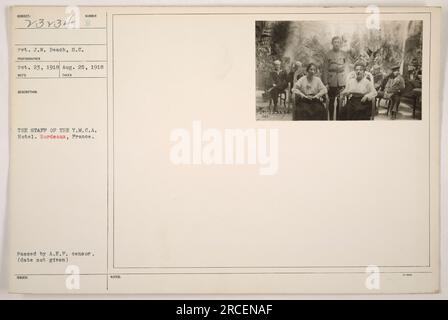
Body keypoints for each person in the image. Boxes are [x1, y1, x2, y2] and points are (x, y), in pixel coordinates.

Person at [322, 36, 350, 120]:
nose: (337, 44)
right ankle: (330, 119)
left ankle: (338, 119)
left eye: (338, 42)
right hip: (331, 81)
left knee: (340, 101)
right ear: (332, 43)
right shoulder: (328, 54)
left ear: (340, 44)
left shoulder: (344, 54)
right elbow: (325, 69)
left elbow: (347, 67)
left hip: (341, 81)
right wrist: (326, 83)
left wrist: (347, 81)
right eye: (335, 42)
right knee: (331, 102)